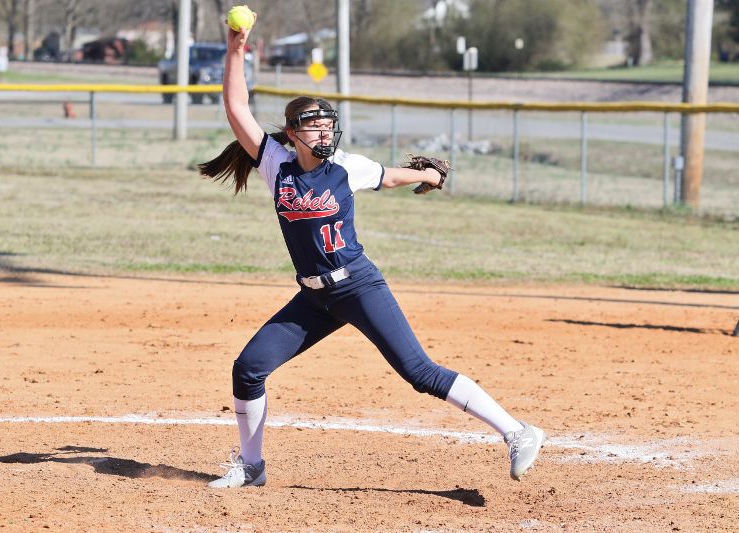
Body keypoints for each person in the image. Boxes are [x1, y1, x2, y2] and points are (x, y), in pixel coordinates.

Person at [198, 21, 544, 489]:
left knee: (418, 372)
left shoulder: (345, 168)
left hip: (358, 285)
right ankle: (252, 466)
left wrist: (433, 177)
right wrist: (235, 49)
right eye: (314, 126)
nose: (324, 132)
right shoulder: (275, 165)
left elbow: (394, 176)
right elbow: (236, 105)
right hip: (314, 299)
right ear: (293, 134)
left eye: (328, 125)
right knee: (249, 368)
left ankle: (519, 432)